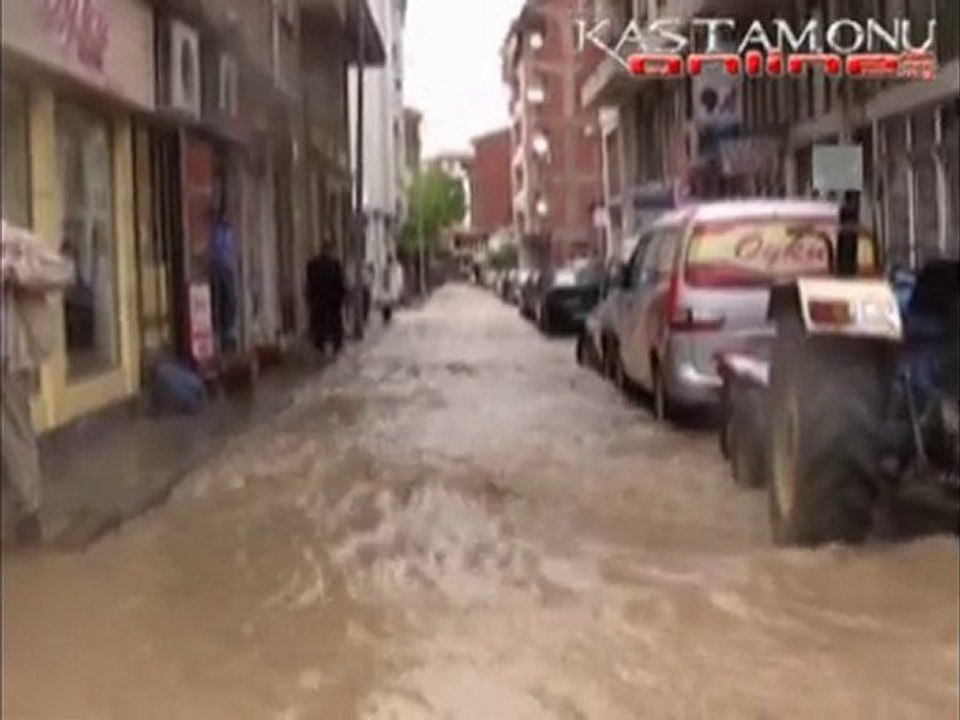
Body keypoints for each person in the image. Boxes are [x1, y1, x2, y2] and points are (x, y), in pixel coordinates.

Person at [2, 219, 73, 546]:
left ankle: (29, 510)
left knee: (14, 430)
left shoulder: (15, 241)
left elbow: (62, 272)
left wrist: (16, 271)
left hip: (8, 359)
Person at [305, 244, 346, 355]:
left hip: (319, 299)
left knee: (319, 323)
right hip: (332, 299)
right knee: (335, 322)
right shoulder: (334, 264)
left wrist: (310, 298)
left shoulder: (313, 265)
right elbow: (339, 282)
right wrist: (341, 297)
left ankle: (320, 344)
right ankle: (336, 343)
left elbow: (310, 283)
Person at [209, 208, 238, 354]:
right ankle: (222, 335)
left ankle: (226, 334)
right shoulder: (216, 232)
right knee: (221, 301)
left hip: (224, 267)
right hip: (218, 268)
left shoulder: (227, 232)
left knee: (228, 301)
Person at [380, 254, 405, 324]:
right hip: (387, 287)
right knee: (387, 303)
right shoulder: (389, 268)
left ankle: (387, 316)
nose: (389, 263)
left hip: (387, 287)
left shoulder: (390, 268)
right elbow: (384, 278)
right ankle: (386, 316)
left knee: (387, 303)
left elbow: (396, 279)